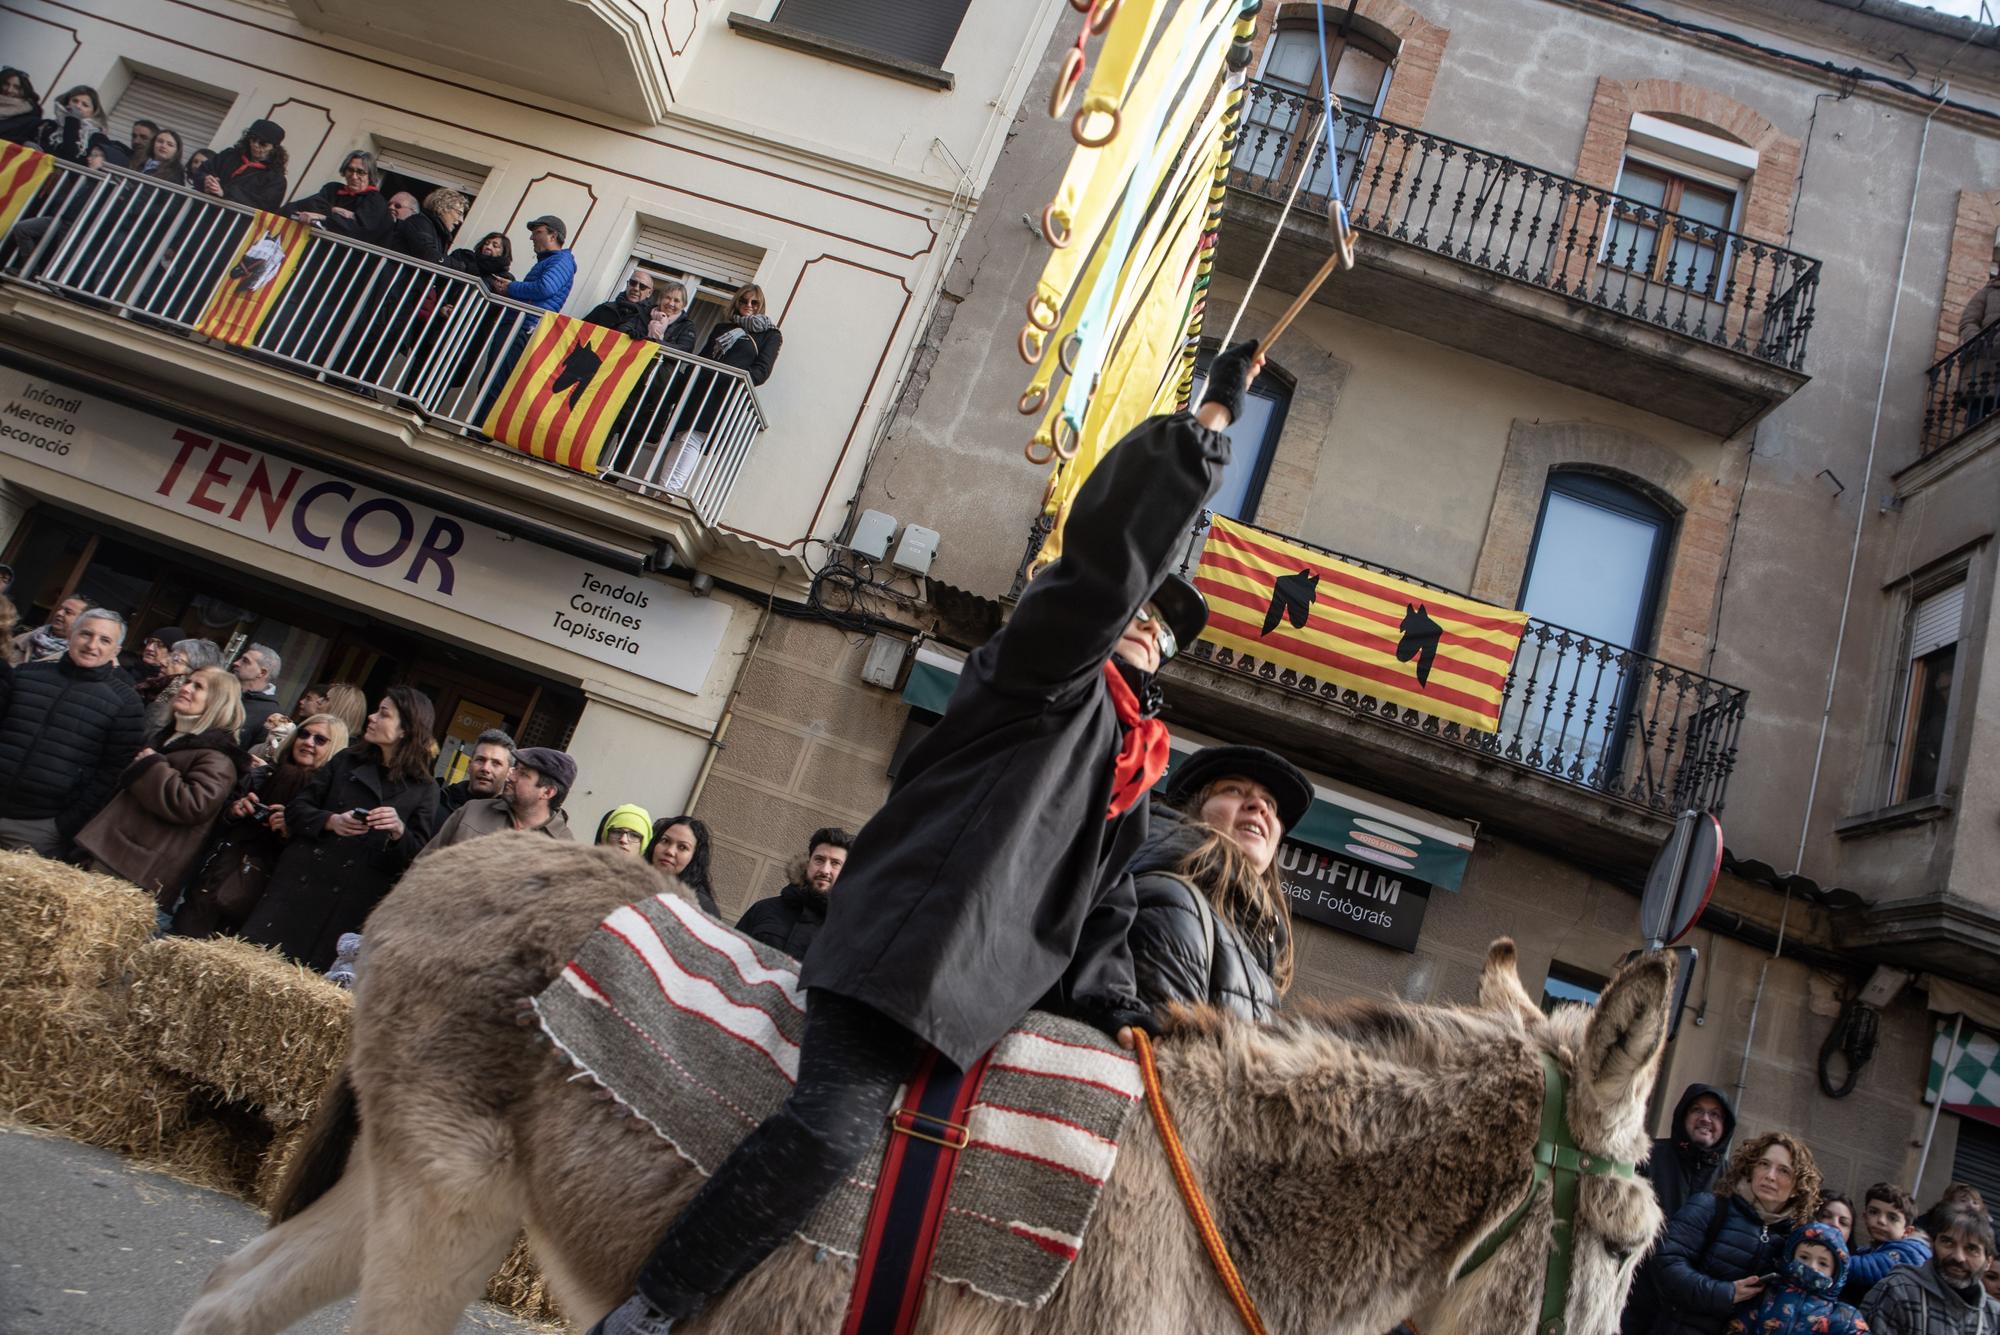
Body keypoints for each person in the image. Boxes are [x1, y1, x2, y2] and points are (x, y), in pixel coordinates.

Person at [586, 340, 1261, 1335]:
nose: (1152, 630)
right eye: (1141, 612)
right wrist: (1201, 440)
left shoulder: (1134, 767)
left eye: (1166, 632)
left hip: (992, 1004)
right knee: (831, 1132)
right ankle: (649, 1308)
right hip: (906, 961)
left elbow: (1105, 913)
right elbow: (1101, 559)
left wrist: (1128, 1028)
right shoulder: (1043, 672)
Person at [240, 686, 440, 971]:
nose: (371, 717)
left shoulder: (425, 789)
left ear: (405, 729)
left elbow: (416, 857)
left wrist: (398, 831)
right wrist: (331, 821)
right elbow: (297, 810)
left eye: (383, 714)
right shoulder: (346, 760)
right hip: (297, 889)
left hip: (348, 908)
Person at [1127, 743, 1308, 1022]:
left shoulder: (1257, 947)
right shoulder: (1174, 899)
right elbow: (1171, 1055)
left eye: (1270, 804)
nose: (1259, 806)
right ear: (1192, 809)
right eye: (1233, 790)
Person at [73, 665, 248, 917]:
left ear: (217, 702)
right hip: (113, 855)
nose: (186, 688)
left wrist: (152, 766)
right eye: (188, 682)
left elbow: (194, 805)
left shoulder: (218, 758)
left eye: (198, 687)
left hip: (132, 870)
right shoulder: (171, 739)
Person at [172, 712, 349, 938]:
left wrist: (293, 828)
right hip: (218, 876)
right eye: (304, 734)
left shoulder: (327, 800)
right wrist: (234, 810)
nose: (308, 742)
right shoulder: (261, 775)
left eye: (320, 740)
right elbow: (214, 821)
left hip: (263, 898)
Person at [0, 608, 145, 857]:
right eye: (85, 634)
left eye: (104, 640)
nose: (92, 645)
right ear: (71, 636)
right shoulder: (24, 675)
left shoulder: (126, 703)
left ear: (116, 651)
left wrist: (63, 826)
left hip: (38, 827)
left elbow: (111, 773)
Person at [1648, 1130, 1822, 1335]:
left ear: (1797, 1187)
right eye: (1764, 1164)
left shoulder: (1793, 1240)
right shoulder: (1709, 1207)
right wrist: (1726, 1293)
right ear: (1750, 1168)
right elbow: (1665, 1265)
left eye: (1784, 1170)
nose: (1770, 1176)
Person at [1626, 1084, 1741, 1333]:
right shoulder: (1648, 1156)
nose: (1705, 1119)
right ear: (1682, 1116)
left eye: (1715, 1114)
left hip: (1684, 1316)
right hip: (1632, 1299)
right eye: (1697, 1110)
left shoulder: (1732, 1181)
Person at [661, 283, 781, 493]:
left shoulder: (770, 335)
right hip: (699, 389)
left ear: (761, 305)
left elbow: (761, 371)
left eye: (754, 302)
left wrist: (732, 378)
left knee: (693, 438)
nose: (748, 305)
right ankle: (662, 490)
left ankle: (670, 491)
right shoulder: (723, 328)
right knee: (681, 437)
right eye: (744, 300)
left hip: (723, 394)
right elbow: (705, 356)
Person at [1861, 1206, 1999, 1334]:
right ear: (1932, 1245)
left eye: (1971, 1249)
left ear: (1988, 1261)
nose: (1958, 1257)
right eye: (1948, 1242)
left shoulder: (1994, 1315)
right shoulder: (1898, 1290)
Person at [1723, 1221, 1869, 1335]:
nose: (1812, 1266)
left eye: (1823, 1263)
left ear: (1836, 1273)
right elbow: (1737, 1328)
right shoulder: (1766, 1296)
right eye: (1804, 1257)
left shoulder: (1844, 1317)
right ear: (1790, 1257)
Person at [734, 826, 853, 961]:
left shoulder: (850, 931)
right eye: (819, 860)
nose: (825, 870)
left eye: (835, 863)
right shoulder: (764, 909)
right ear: (808, 863)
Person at [424, 746, 575, 850]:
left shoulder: (564, 850)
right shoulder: (472, 810)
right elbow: (421, 867)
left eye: (523, 774)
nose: (511, 776)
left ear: (547, 792)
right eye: (516, 769)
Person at [1846, 1182, 1933, 1303]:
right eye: (1874, 1212)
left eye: (1892, 1218)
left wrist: (1829, 1259)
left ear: (1907, 1231)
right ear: (1865, 1217)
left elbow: (1868, 1268)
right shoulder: (1870, 1250)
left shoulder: (1908, 1252)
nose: (1881, 1220)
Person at [283, 149, 391, 244]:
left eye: (361, 172)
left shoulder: (375, 200)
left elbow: (356, 230)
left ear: (370, 175)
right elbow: (302, 206)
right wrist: (333, 210)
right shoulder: (333, 189)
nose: (354, 176)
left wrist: (322, 217)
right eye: (350, 170)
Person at [195, 120, 288, 211]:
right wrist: (206, 181)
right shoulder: (229, 155)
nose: (255, 145)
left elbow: (265, 206)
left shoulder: (276, 180)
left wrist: (225, 192)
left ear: (274, 148)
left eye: (263, 143)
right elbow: (202, 171)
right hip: (201, 210)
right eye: (253, 139)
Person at [647, 814, 719, 916]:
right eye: (665, 841)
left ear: (694, 856)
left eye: (682, 847)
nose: (670, 851)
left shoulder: (701, 907)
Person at [147, 638, 223, 733]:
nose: (163, 662)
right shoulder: (150, 687)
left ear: (195, 672)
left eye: (176, 660)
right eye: (170, 656)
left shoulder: (182, 706)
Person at [439, 728, 515, 815]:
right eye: (480, 760)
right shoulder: (439, 800)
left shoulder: (510, 820)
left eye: (496, 763)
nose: (485, 768)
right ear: (469, 765)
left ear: (509, 773)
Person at [33, 84, 105, 164]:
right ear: (67, 103)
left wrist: (73, 120)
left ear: (93, 113)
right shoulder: (48, 125)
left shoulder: (95, 137)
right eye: (75, 101)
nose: (78, 106)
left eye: (85, 105)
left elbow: (70, 155)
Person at [230, 642, 284, 746]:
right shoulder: (225, 692)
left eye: (245, 661)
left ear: (262, 673)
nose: (236, 663)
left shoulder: (272, 715)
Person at [13, 593, 88, 662]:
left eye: (68, 612)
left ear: (82, 622)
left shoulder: (77, 659)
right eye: (59, 609)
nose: (59, 613)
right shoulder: (23, 638)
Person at [1918, 1185, 1988, 1239]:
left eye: (1975, 1203)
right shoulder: (1928, 1221)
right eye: (1963, 1201)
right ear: (1949, 1203)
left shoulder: (1986, 1231)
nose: (1970, 1206)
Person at [0, 68, 41, 145]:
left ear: (24, 91)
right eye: (6, 84)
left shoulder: (30, 120)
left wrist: (23, 142)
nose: (9, 90)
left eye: (16, 87)